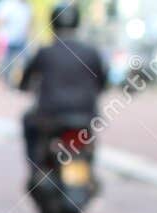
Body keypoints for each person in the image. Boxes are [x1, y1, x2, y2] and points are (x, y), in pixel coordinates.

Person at [19, 3, 107, 171]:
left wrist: (23, 86)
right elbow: (102, 83)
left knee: (27, 122)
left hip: (49, 116)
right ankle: (88, 168)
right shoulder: (91, 52)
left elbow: (25, 80)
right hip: (86, 115)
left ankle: (36, 170)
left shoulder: (45, 52)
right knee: (88, 140)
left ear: (53, 22)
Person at [0, 0, 33, 86]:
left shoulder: (27, 7)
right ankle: (3, 84)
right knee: (5, 64)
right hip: (6, 39)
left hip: (21, 40)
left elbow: (29, 23)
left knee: (24, 63)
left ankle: (17, 84)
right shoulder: (7, 4)